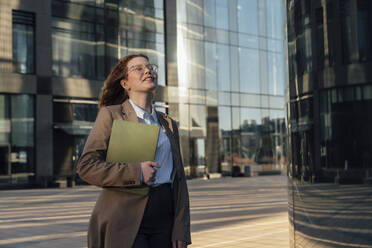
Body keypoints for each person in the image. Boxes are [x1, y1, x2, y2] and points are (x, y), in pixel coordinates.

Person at [77, 54, 191, 248]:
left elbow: (179, 180)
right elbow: (86, 166)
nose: (148, 70)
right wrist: (137, 172)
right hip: (124, 220)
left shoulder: (168, 123)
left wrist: (181, 227)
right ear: (125, 84)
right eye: (138, 68)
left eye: (150, 67)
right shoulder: (111, 115)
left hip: (165, 218)